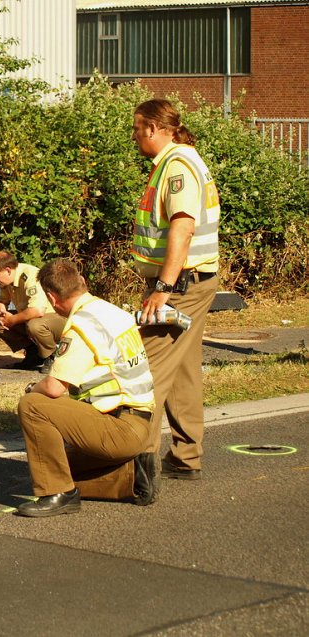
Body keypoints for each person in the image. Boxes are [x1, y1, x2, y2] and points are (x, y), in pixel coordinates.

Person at [16, 259, 159, 518]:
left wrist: (30, 388)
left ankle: (57, 494)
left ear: (51, 297)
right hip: (140, 423)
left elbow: (53, 388)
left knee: (33, 407)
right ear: (82, 281)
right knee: (58, 464)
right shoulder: (112, 311)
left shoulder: (82, 325)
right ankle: (131, 475)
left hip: (119, 427)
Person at [131, 99, 220, 481]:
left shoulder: (177, 166)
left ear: (154, 127)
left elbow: (182, 228)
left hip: (180, 285)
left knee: (149, 370)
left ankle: (139, 462)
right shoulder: (183, 161)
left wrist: (163, 288)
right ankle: (186, 456)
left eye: (137, 128)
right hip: (194, 282)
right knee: (183, 370)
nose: (134, 136)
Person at [0, 251, 65, 370]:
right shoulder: (7, 280)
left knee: (35, 324)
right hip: (38, 320)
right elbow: (1, 301)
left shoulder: (31, 276)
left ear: (8, 270)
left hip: (57, 319)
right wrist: (2, 314)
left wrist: (12, 320)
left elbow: (38, 310)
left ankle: (52, 356)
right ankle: (33, 353)